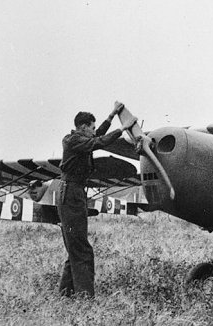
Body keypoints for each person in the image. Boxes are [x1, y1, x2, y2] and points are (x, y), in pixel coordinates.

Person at [57, 102, 136, 298]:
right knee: (82, 249)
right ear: (83, 127)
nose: (94, 131)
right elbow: (98, 142)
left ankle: (66, 293)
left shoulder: (78, 140)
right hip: (71, 194)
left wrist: (111, 116)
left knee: (75, 245)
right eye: (91, 127)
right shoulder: (72, 141)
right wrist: (123, 128)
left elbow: (98, 136)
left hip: (72, 193)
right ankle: (85, 297)